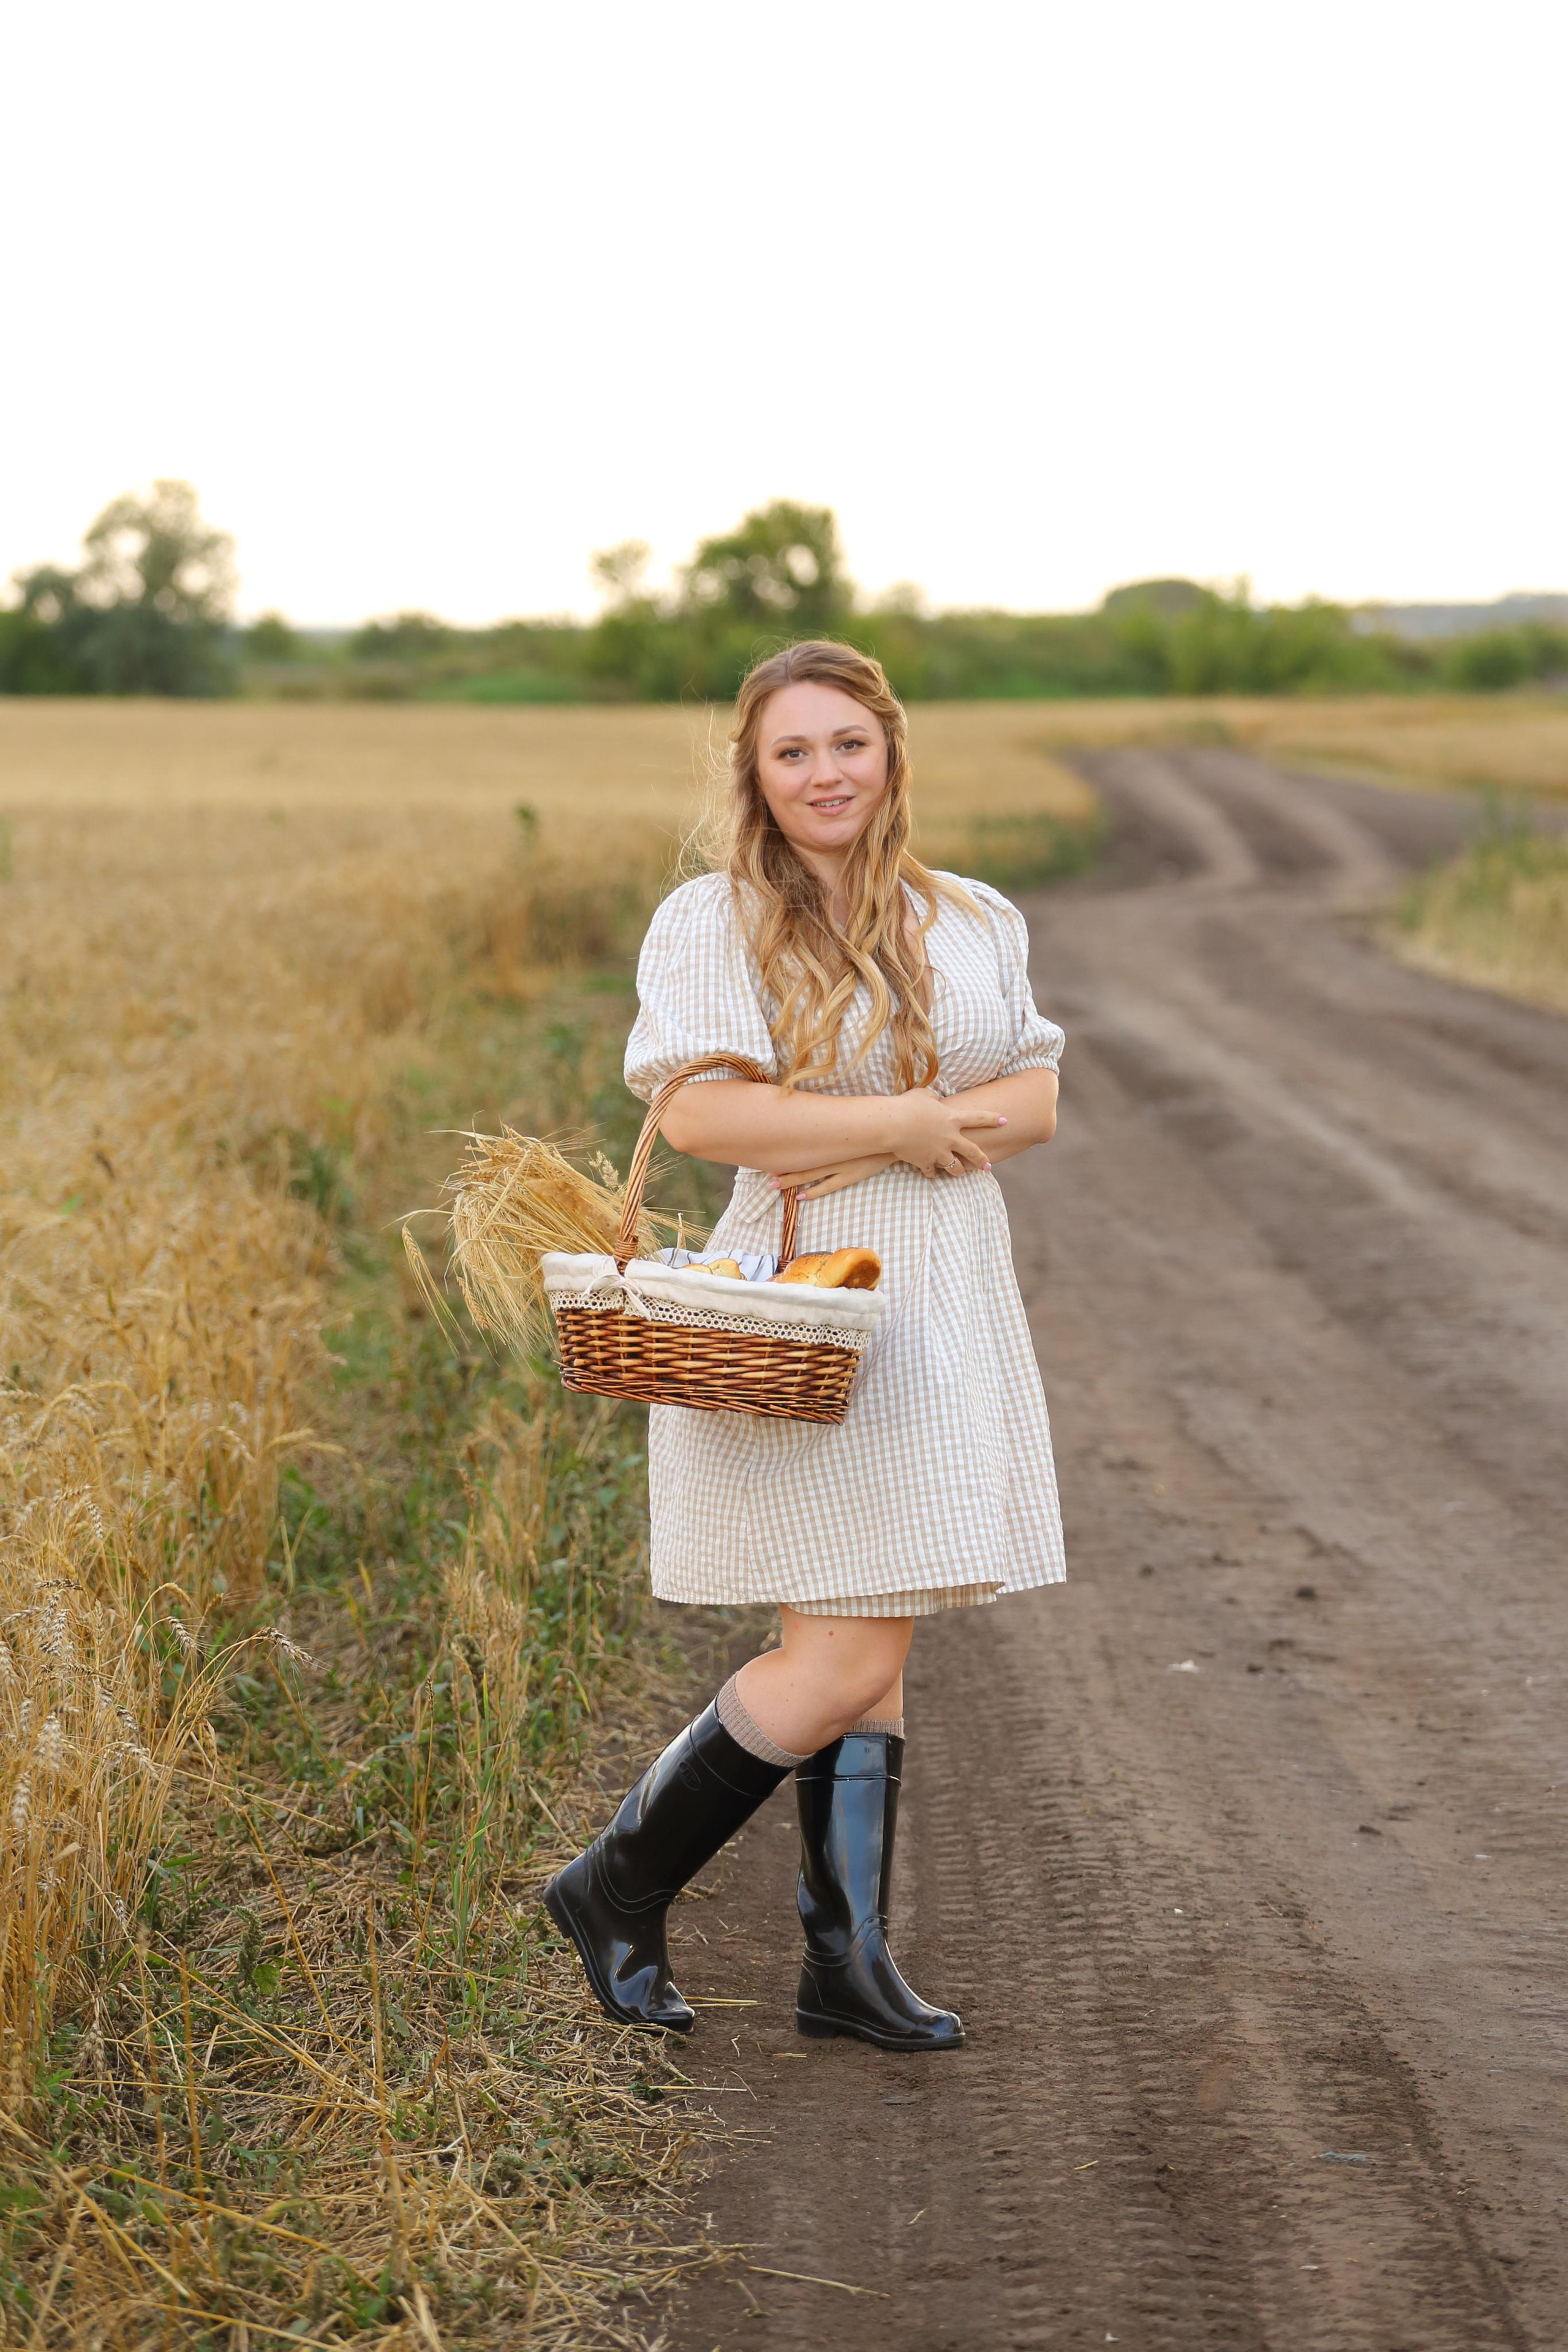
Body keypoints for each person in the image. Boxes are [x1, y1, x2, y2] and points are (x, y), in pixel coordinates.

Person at [545, 639, 1065, 2052]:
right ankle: (613, 1884)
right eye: (793, 752)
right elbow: (709, 1117)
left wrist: (914, 1123)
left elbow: (1034, 1096)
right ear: (755, 776)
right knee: (837, 1656)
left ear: (889, 753)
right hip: (806, 1294)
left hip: (943, 1293)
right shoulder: (708, 920)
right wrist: (896, 1124)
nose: (824, 773)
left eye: (847, 743)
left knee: (869, 1643)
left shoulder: (970, 916)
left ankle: (843, 1964)